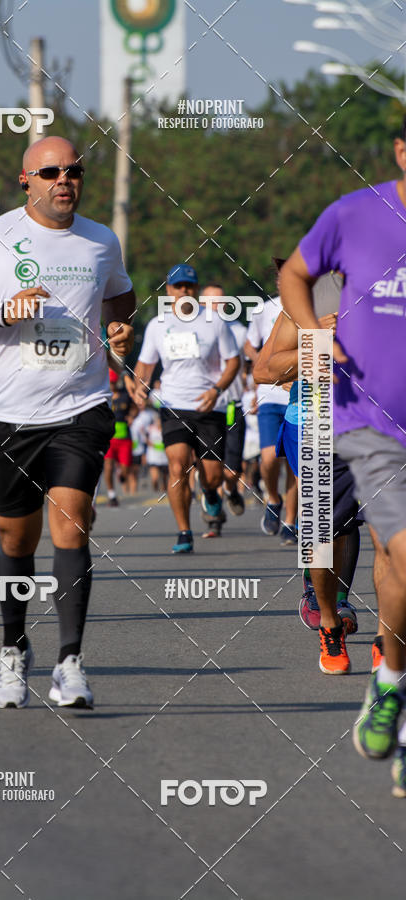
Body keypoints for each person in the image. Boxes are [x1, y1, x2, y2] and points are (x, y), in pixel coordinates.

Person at [0, 137, 135, 710]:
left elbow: (121, 297)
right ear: (27, 181)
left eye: (74, 171)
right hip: (9, 413)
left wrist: (122, 328)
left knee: (72, 523)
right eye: (51, 172)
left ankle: (71, 661)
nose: (64, 180)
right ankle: (14, 649)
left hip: (82, 406)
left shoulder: (101, 239)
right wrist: (1, 310)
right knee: (18, 540)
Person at [278, 120, 406, 787]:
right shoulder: (353, 221)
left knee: (394, 560)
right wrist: (312, 339)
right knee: (343, 541)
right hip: (361, 425)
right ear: (401, 152)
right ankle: (331, 618)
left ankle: (391, 685)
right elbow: (293, 286)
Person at [254, 268, 363, 676]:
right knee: (326, 527)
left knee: (369, 527)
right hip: (314, 422)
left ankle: (364, 620)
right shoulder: (312, 299)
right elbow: (264, 371)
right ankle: (328, 614)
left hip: (379, 426)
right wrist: (318, 340)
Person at [134, 263, 240, 553]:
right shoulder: (157, 325)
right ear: (169, 291)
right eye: (178, 286)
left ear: (196, 289)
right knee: (177, 466)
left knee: (213, 475)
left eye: (189, 286)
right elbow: (146, 363)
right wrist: (139, 385)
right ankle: (184, 531)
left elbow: (233, 361)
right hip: (173, 405)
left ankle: (210, 493)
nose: (184, 291)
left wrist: (217, 389)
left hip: (209, 407)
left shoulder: (215, 322)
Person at [245, 285, 298, 542]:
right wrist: (271, 367)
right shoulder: (264, 309)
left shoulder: (313, 305)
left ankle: (290, 522)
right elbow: (249, 346)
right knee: (268, 459)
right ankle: (274, 499)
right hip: (269, 397)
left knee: (297, 466)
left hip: (302, 398)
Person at [199, 282, 247, 536]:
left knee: (231, 470)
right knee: (208, 466)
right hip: (205, 409)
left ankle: (231, 490)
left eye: (220, 301)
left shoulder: (239, 332)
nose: (215, 306)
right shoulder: (194, 331)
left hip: (231, 405)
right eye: (209, 301)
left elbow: (250, 365)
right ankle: (213, 517)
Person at [103, 370, 133, 505]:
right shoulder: (102, 397)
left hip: (124, 438)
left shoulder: (125, 396)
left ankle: (122, 473)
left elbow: (135, 408)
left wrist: (132, 416)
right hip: (108, 439)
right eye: (110, 383)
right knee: (108, 466)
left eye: (113, 382)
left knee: (125, 470)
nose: (112, 385)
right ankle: (112, 495)